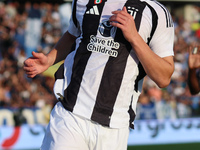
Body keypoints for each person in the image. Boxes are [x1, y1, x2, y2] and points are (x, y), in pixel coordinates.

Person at [24, 0, 174, 149]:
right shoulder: (82, 1)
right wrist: (50, 59)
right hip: (71, 114)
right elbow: (73, 34)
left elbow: (163, 78)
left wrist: (135, 38)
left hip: (115, 126)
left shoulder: (156, 12)